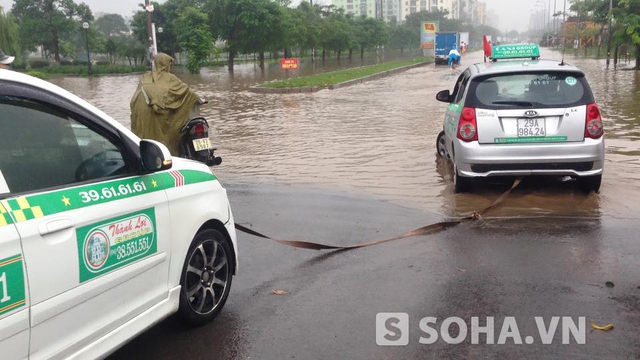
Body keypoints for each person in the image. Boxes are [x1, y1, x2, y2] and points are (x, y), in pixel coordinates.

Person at [130, 53, 201, 156]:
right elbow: (186, 91)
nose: (169, 67)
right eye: (169, 64)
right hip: (159, 116)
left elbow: (135, 97)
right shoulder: (170, 78)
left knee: (147, 139)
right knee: (167, 136)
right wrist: (197, 99)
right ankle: (168, 156)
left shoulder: (145, 77)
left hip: (143, 116)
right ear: (165, 64)